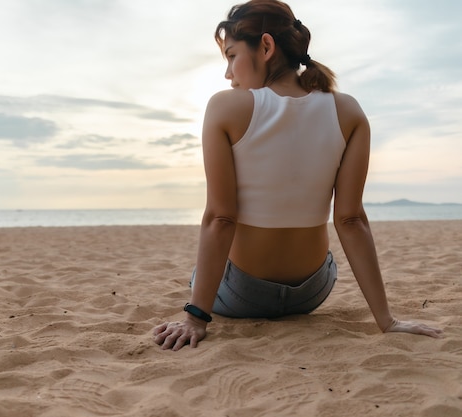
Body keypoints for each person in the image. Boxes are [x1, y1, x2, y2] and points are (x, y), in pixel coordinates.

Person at [153, 0, 443, 351]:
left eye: (231, 56)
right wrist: (387, 320)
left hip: (244, 294)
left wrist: (195, 318)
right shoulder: (348, 110)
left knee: (199, 275)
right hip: (314, 292)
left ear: (266, 46)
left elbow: (221, 217)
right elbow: (351, 220)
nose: (228, 74)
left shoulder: (226, 107)